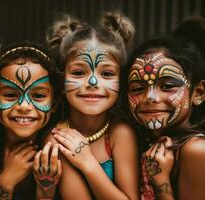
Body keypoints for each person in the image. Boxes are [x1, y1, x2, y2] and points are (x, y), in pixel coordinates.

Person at [46, 11, 139, 199]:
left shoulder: (120, 132)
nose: (94, 83)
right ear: (61, 80)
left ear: (121, 81)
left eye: (107, 74)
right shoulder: (59, 138)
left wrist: (86, 162)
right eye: (79, 73)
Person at [121, 18, 205, 199]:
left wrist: (161, 182)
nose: (150, 97)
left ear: (198, 93)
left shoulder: (196, 150)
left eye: (167, 86)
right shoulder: (140, 140)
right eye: (137, 89)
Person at [0, 43, 63, 200]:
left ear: (54, 104)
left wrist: (45, 189)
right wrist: (6, 180)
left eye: (38, 96)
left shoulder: (57, 149)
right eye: (10, 95)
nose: (23, 106)